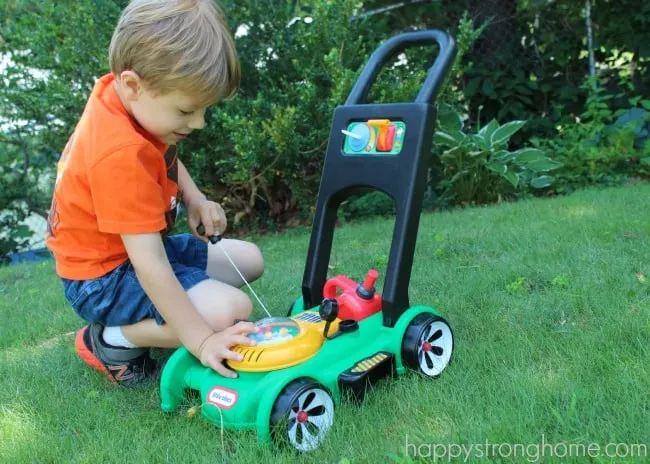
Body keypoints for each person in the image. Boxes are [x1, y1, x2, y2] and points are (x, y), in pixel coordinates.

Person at [45, 0, 263, 386]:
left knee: (249, 261)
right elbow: (150, 267)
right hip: (103, 278)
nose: (198, 123)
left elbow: (164, 156)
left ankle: (184, 303)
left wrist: (195, 198)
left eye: (204, 110)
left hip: (136, 252)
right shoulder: (118, 154)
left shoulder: (127, 99)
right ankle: (110, 339)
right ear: (133, 85)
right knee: (230, 312)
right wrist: (202, 340)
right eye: (186, 111)